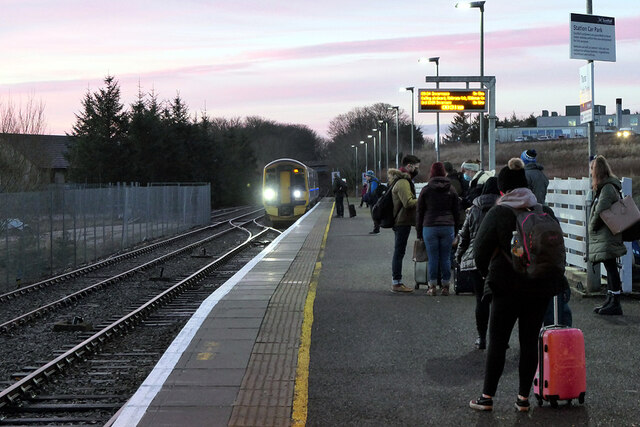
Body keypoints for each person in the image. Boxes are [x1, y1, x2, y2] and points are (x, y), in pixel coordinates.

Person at [469, 158, 564, 413]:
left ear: (503, 189)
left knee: (498, 342)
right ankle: (523, 399)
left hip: (506, 287)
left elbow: (479, 251)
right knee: (529, 341)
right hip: (540, 286)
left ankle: (487, 397)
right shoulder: (544, 210)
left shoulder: (499, 212)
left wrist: (486, 272)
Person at [455, 177, 500, 349]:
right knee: (498, 300)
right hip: (497, 260)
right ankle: (499, 339)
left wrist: (459, 257)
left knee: (480, 300)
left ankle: (482, 338)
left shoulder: (473, 209)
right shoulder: (503, 208)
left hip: (476, 260)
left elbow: (464, 235)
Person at [588, 155, 627, 316]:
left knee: (611, 268)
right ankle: (611, 299)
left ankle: (615, 302)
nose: (590, 173)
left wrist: (592, 226)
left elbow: (601, 209)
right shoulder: (608, 187)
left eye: (591, 169)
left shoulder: (607, 188)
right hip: (606, 234)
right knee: (609, 266)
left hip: (607, 234)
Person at [416, 162, 460, 296]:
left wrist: (419, 232)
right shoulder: (451, 189)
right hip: (447, 226)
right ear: (444, 173)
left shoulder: (426, 189)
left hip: (429, 226)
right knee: (446, 257)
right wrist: (456, 231)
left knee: (433, 257)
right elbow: (456, 212)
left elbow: (420, 212)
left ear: (432, 173)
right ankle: (446, 286)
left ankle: (432, 286)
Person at [388, 155, 421, 293]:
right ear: (409, 166)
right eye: (416, 167)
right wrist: (421, 199)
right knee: (399, 252)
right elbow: (407, 202)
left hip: (402, 221)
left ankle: (397, 281)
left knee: (399, 251)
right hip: (402, 221)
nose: (417, 170)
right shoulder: (403, 182)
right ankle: (397, 282)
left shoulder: (401, 180)